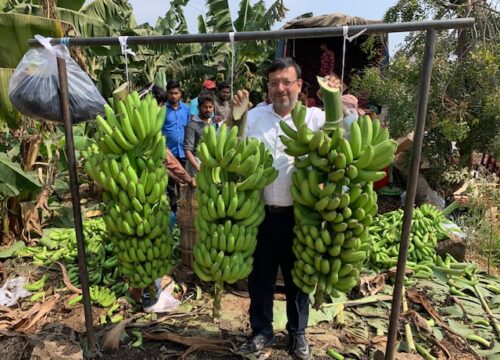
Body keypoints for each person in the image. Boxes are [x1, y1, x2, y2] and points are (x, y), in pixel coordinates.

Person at [232, 58, 346, 360]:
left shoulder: (316, 119)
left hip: (301, 215)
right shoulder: (255, 118)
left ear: (299, 85)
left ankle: (297, 334)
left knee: (298, 279)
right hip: (259, 213)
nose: (279, 89)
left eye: (286, 82)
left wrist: (336, 101)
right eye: (273, 83)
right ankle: (262, 331)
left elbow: (343, 138)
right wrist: (235, 115)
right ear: (267, 87)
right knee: (260, 278)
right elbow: (231, 144)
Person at [162, 80, 191, 211]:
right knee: (170, 186)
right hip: (169, 152)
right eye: (171, 93)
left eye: (176, 93)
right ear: (167, 94)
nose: (174, 96)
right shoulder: (162, 110)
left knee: (184, 183)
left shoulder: (186, 109)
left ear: (180, 94)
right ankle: (173, 210)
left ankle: (184, 210)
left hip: (184, 152)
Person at [184, 94, 215, 175]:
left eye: (210, 107)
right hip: (196, 163)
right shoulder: (192, 125)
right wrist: (198, 167)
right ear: (198, 108)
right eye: (205, 107)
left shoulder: (211, 122)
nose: (208, 110)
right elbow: (187, 150)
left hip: (209, 162)